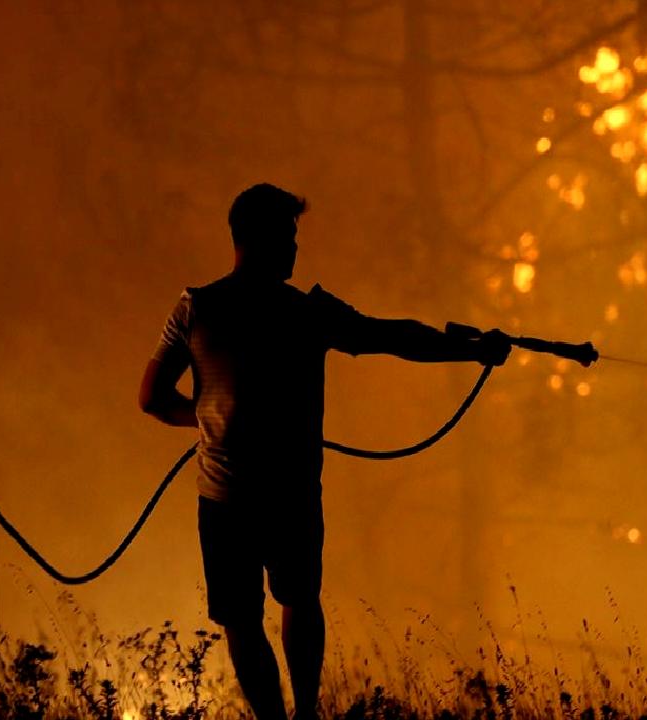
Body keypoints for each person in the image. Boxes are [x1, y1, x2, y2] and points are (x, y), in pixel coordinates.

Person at [139, 183, 510, 720]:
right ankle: (307, 715)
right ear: (261, 239)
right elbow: (394, 337)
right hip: (290, 495)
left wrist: (201, 423)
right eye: (288, 237)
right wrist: (471, 349)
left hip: (223, 499)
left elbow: (150, 398)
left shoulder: (196, 307)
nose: (294, 249)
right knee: (298, 600)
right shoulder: (306, 313)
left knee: (242, 619)